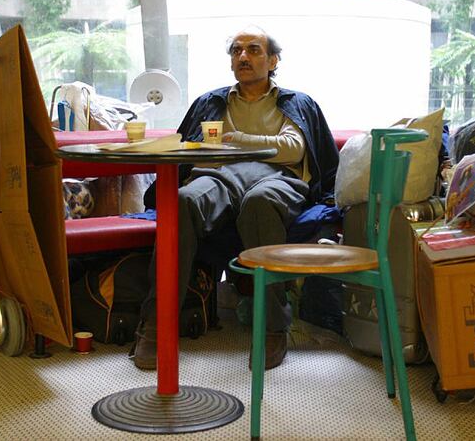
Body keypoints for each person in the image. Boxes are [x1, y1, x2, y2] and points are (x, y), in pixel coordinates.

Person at [131, 26, 339, 371]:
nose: (244, 56)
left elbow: (292, 148)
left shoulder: (295, 102)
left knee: (258, 203)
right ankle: (157, 323)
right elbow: (189, 150)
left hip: (278, 179)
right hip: (217, 176)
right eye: (237, 51)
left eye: (254, 50)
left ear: (272, 61)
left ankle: (274, 327)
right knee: (181, 201)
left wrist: (234, 138)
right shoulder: (210, 103)